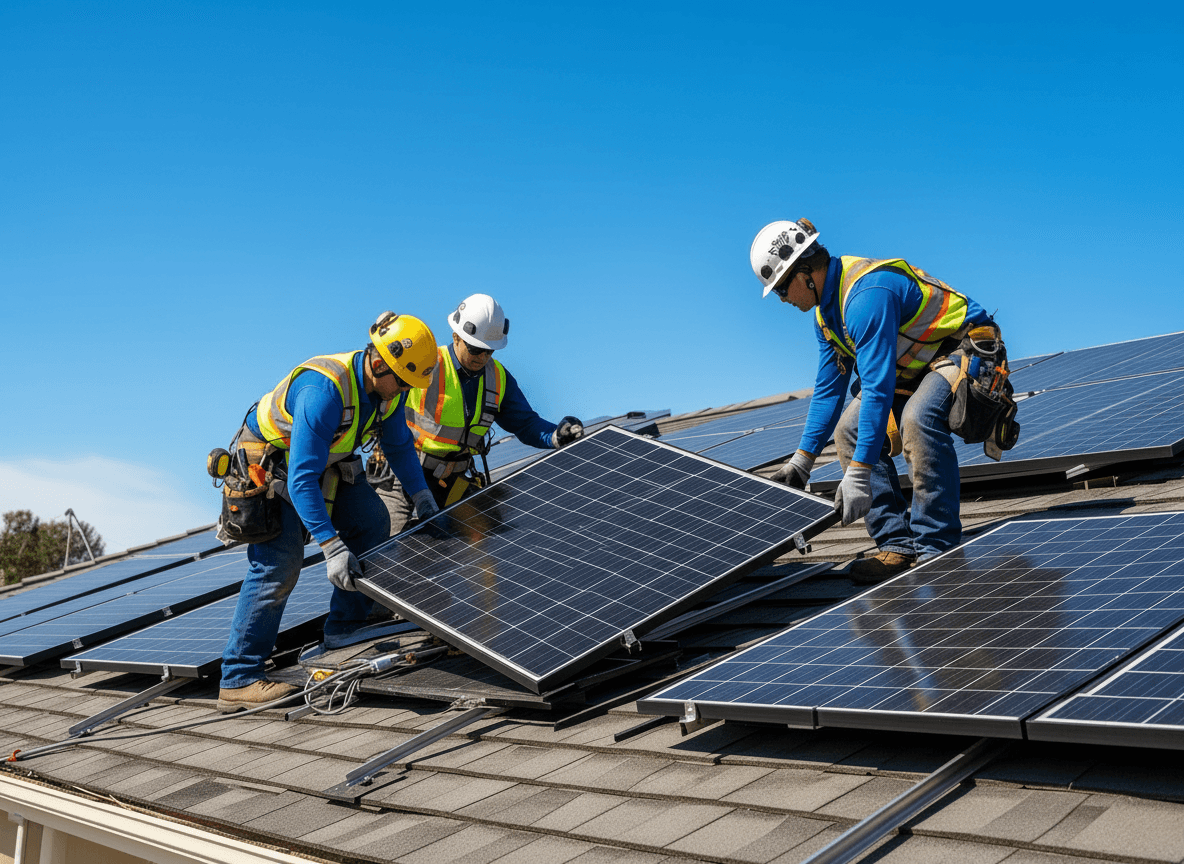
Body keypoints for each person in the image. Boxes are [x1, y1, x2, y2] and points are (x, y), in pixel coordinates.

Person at [217, 312, 442, 711]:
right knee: (278, 564)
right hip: (272, 467)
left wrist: (422, 495)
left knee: (372, 521)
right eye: (403, 383)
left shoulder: (388, 390)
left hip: (326, 464)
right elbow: (302, 480)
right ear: (378, 363)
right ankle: (239, 676)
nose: (404, 391)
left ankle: (346, 628)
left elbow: (399, 447)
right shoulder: (324, 391)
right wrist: (331, 547)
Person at [752, 218, 997, 583]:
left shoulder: (866, 295)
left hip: (963, 347)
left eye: (782, 290)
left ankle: (936, 547)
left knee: (917, 418)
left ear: (804, 273)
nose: (783, 300)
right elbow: (828, 389)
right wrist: (802, 461)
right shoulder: (826, 316)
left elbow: (878, 390)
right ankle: (896, 544)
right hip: (912, 368)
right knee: (848, 432)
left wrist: (859, 474)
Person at [368, 293, 584, 533]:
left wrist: (556, 435)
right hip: (404, 473)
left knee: (484, 537)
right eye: (475, 349)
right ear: (456, 337)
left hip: (451, 480)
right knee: (385, 546)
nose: (482, 358)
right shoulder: (426, 366)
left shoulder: (498, 379)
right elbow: (381, 404)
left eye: (488, 351)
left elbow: (525, 423)